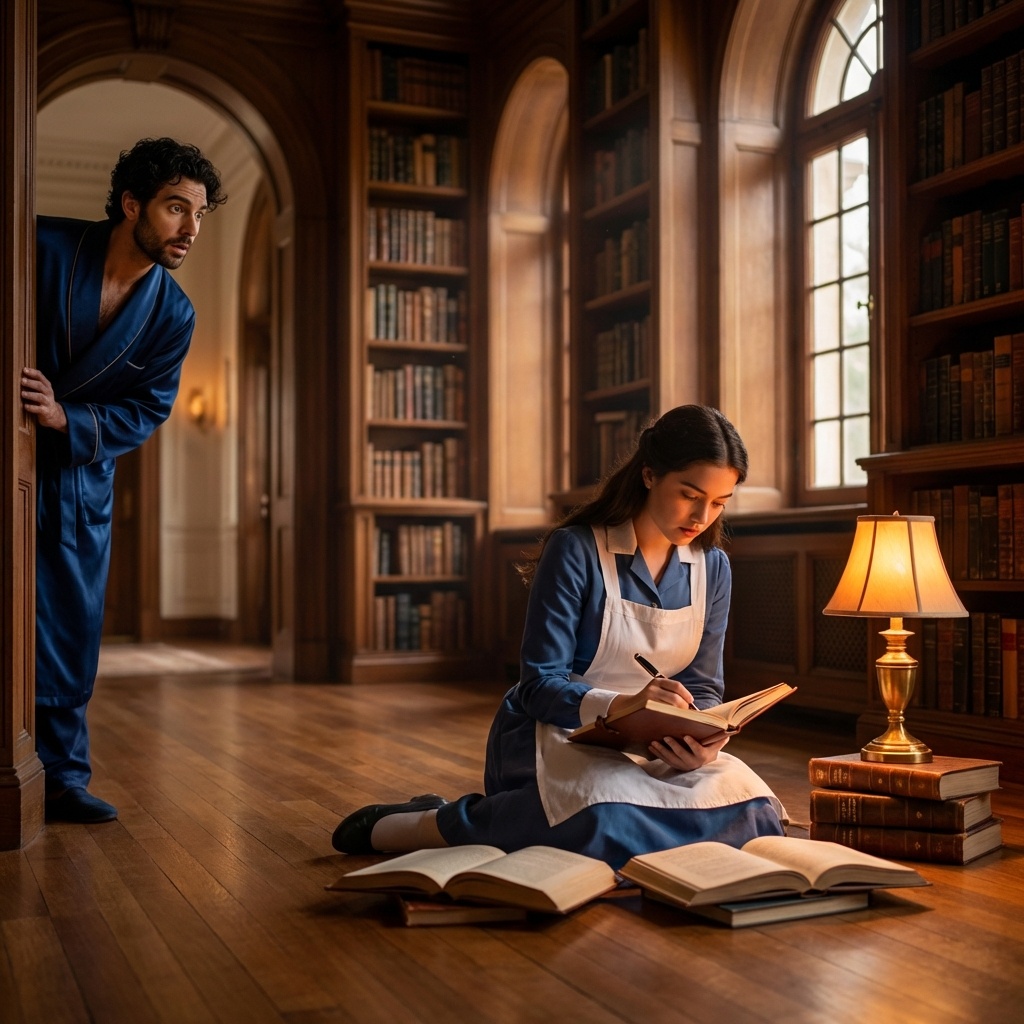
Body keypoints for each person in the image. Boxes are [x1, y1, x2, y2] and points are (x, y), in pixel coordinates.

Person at [332, 404, 787, 868]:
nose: (701, 516)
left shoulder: (713, 568)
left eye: (719, 503)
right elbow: (539, 685)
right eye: (689, 494)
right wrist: (620, 707)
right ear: (649, 475)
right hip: (558, 731)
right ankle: (426, 823)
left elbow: (704, 685)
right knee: (605, 823)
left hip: (654, 746)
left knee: (755, 815)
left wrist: (701, 739)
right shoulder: (576, 550)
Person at [21, 138, 226, 824]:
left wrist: (65, 417)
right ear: (132, 204)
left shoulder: (175, 314)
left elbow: (148, 410)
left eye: (199, 215)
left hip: (80, 483)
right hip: (12, 463)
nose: (190, 230)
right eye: (176, 209)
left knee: (71, 633)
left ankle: (63, 778)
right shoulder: (41, 246)